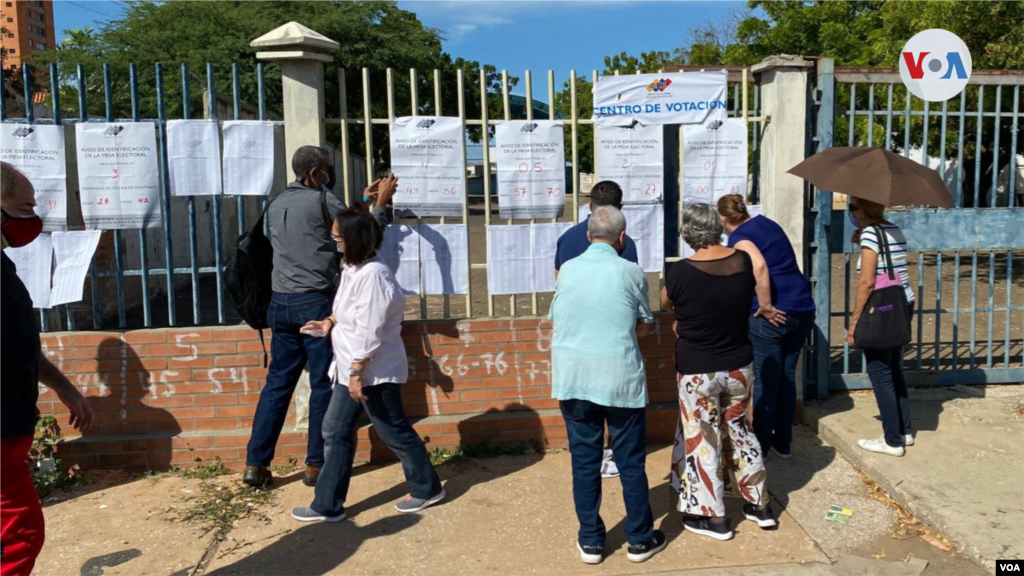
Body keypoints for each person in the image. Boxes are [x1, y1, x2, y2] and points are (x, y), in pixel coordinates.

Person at [243, 146, 396, 488]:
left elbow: (316, 233)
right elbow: (363, 232)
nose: (329, 176)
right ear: (314, 174)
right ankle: (315, 465)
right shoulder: (321, 200)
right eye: (327, 170)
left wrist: (362, 198)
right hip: (314, 304)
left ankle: (256, 463)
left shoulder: (276, 202)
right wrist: (380, 205)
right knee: (323, 384)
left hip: (280, 303)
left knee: (277, 384)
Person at [291, 209, 444, 523]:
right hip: (350, 368)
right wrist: (328, 322)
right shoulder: (352, 267)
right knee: (334, 430)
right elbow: (347, 310)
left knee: (393, 431)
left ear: (355, 239)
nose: (334, 241)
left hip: (372, 371)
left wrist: (357, 373)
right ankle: (327, 504)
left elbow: (370, 330)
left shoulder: (375, 275)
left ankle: (427, 487)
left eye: (338, 236)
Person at [549, 205, 666, 565]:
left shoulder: (567, 269)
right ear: (622, 238)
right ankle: (640, 539)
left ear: (588, 236)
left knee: (584, 462)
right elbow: (643, 322)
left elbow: (557, 316)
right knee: (630, 461)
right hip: (620, 380)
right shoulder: (631, 271)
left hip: (575, 378)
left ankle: (591, 541)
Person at [0, 161, 95, 576]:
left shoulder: (1, 267)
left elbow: (17, 343)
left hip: (10, 426)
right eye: (23, 207)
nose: (32, 217)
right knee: (18, 536)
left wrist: (64, 387)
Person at [662, 202, 774, 542]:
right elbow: (760, 271)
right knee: (741, 430)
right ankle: (760, 506)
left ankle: (714, 519)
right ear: (716, 226)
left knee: (703, 439)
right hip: (739, 365)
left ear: (687, 233)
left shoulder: (680, 272)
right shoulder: (740, 261)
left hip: (697, 370)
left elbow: (668, 302)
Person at [718, 194, 816, 459]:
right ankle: (783, 442)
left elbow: (759, 266)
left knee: (765, 380)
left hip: (774, 316)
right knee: (785, 378)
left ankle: (760, 447)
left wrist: (765, 304)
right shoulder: (766, 223)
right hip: (802, 308)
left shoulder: (739, 238)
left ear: (723, 219)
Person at [554, 180, 638, 479]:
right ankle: (615, 457)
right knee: (625, 434)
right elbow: (632, 298)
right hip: (616, 353)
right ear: (621, 210)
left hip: (576, 354)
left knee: (584, 448)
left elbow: (559, 285)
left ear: (589, 207)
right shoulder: (625, 244)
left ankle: (589, 522)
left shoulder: (567, 239)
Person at [846, 197, 915, 457]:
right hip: (902, 303)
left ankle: (892, 440)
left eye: (852, 209)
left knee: (880, 373)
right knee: (895, 367)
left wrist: (855, 322)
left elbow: (867, 282)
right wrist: (862, 238)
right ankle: (905, 430)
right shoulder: (892, 229)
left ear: (862, 211)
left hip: (881, 306)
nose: (850, 214)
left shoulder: (871, 235)